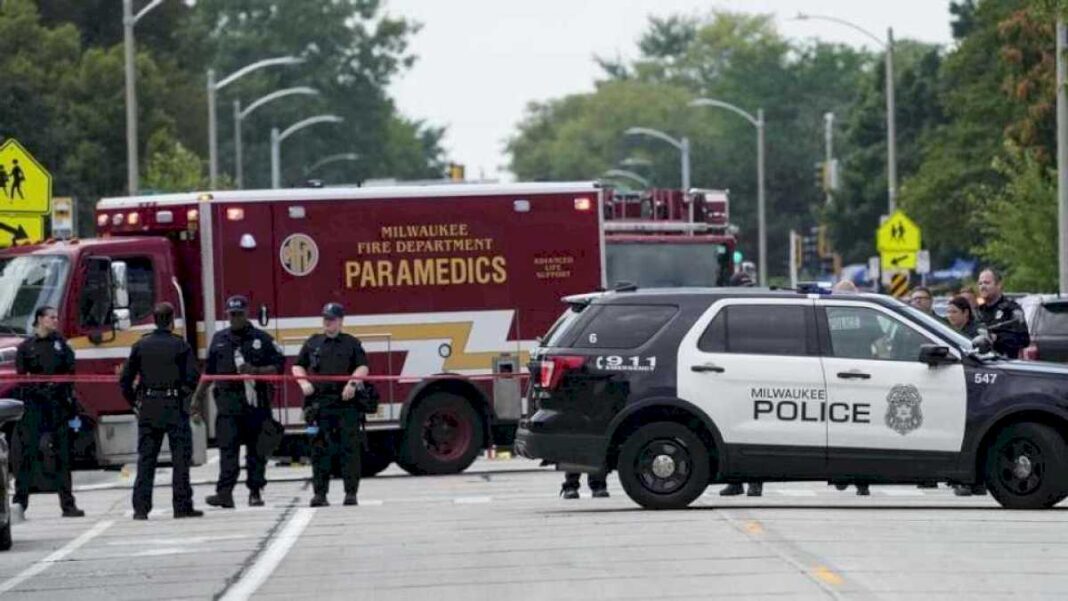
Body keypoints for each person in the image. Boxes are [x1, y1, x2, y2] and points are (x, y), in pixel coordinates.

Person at [197, 296, 285, 509]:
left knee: (256, 452)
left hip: (256, 406)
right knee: (228, 452)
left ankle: (255, 492)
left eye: (239, 314)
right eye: (232, 315)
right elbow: (208, 373)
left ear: (246, 314)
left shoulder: (262, 339)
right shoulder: (219, 340)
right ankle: (224, 493)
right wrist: (196, 399)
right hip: (228, 407)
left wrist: (255, 371)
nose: (235, 318)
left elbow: (278, 367)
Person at [120, 303, 202, 520]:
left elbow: (125, 379)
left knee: (146, 459)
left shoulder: (141, 345)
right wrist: (183, 395)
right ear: (172, 320)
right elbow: (193, 376)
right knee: (180, 459)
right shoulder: (179, 345)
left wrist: (134, 403)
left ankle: (141, 508)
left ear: (154, 320)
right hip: (174, 406)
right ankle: (182, 506)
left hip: (149, 406)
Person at [292, 302, 370, 507]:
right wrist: (303, 382)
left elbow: (363, 367)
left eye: (332, 319)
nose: (328, 323)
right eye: (326, 319)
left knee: (349, 451)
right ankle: (320, 494)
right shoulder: (313, 342)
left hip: (346, 405)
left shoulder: (351, 343)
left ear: (341, 321)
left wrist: (352, 383)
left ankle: (350, 493)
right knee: (319, 452)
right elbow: (297, 365)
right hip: (320, 405)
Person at [12, 306, 85, 519]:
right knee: (27, 455)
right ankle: (20, 503)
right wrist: (40, 390)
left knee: (62, 455)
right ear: (40, 320)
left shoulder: (61, 345)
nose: (55, 321)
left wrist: (59, 391)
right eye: (51, 317)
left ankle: (68, 504)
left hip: (58, 407)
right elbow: (21, 378)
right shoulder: (26, 347)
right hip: (34, 407)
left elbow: (70, 373)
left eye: (55, 317)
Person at [719, 270, 764, 498]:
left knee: (752, 430)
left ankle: (754, 482)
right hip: (735, 378)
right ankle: (736, 482)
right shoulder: (730, 310)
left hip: (753, 377)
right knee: (734, 431)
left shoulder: (758, 311)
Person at [976, 268, 1030, 358]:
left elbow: (1024, 340)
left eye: (987, 283)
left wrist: (997, 338)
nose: (982, 286)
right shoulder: (978, 310)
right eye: (980, 283)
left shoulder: (1011, 309)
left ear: (999, 285)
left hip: (1004, 363)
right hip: (979, 362)